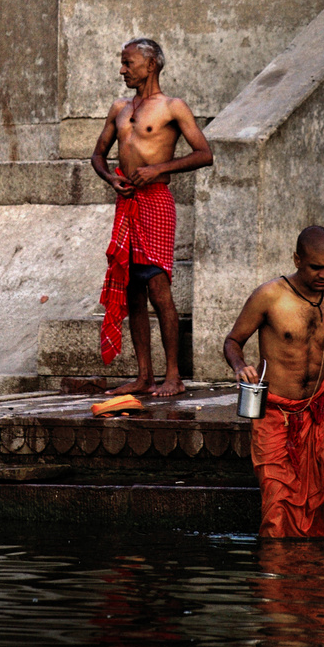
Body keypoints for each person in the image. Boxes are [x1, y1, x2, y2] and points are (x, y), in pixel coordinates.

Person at [223, 226, 324, 538]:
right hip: (275, 415)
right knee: (278, 511)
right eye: (316, 267)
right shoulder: (269, 297)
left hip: (320, 410)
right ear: (297, 260)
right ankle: (279, 580)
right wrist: (240, 366)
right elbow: (232, 341)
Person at [91, 38, 213, 396]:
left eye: (128, 63)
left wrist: (159, 167)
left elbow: (204, 153)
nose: (122, 70)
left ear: (152, 64)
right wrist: (111, 177)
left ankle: (173, 375)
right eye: (122, 63)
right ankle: (145, 375)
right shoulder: (119, 108)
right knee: (132, 290)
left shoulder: (173, 108)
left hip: (156, 200)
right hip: (126, 202)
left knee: (159, 288)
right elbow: (98, 154)